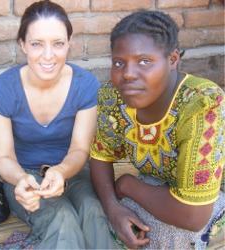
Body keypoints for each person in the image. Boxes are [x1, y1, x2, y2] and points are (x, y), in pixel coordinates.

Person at [0, 1, 119, 249]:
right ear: (22, 44)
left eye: (58, 43)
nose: (48, 55)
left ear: (69, 41)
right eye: (37, 44)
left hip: (75, 171)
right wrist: (21, 179)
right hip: (25, 176)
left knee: (93, 213)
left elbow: (80, 149)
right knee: (62, 219)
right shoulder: (1, 90)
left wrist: (61, 171)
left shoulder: (85, 85)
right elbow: (3, 157)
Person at [90, 9, 225, 250]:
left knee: (168, 234)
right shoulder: (113, 97)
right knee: (101, 217)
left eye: (144, 61)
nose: (128, 74)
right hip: (159, 186)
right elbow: (100, 154)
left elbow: (193, 216)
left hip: (210, 197)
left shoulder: (201, 104)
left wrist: (127, 184)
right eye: (119, 63)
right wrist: (113, 208)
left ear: (172, 60)